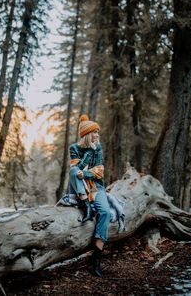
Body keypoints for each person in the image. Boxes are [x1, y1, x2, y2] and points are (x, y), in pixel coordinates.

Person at [69, 114, 111, 277]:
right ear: (87, 134)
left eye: (98, 132)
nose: (97, 135)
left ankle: (95, 261)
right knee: (73, 171)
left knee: (106, 212)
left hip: (95, 187)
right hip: (79, 188)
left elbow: (99, 173)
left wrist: (85, 173)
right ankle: (86, 206)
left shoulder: (98, 148)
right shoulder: (74, 148)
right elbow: (75, 170)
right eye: (94, 132)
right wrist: (87, 155)